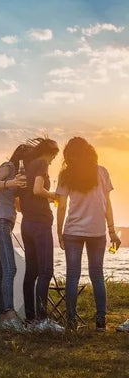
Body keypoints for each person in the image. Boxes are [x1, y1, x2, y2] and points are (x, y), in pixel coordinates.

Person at [56, 137, 121, 331]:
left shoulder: (66, 175)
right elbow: (107, 203)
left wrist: (59, 232)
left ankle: (71, 322)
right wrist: (111, 229)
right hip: (97, 231)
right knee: (97, 275)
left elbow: (61, 207)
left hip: (73, 230)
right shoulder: (101, 172)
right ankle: (101, 321)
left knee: (72, 276)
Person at [19, 137, 63, 332]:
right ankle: (43, 320)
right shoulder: (42, 163)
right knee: (46, 271)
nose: (54, 160)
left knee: (31, 272)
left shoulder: (28, 165)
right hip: (39, 223)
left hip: (26, 223)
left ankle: (30, 319)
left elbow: (23, 197)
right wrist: (53, 196)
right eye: (55, 156)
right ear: (51, 152)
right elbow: (38, 189)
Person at [0, 144, 29, 331]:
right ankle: (10, 314)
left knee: (4, 271)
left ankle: (4, 318)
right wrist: (12, 182)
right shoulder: (8, 167)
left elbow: (17, 206)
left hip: (4, 222)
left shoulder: (19, 176)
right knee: (11, 268)